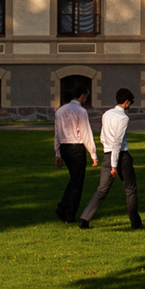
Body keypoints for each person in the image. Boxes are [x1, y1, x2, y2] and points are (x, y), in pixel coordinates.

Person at [78, 87, 143, 229]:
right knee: (130, 189)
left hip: (107, 154)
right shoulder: (123, 117)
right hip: (119, 156)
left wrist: (109, 155)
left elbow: (103, 136)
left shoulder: (106, 114)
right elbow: (118, 142)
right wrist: (114, 165)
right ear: (126, 102)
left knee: (101, 189)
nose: (129, 105)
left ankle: (84, 218)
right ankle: (135, 223)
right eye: (130, 103)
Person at [53, 83, 97, 221]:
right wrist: (93, 154)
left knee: (73, 180)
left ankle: (63, 207)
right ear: (82, 96)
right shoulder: (81, 112)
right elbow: (86, 134)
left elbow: (57, 133)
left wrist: (58, 153)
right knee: (77, 182)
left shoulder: (60, 110)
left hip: (65, 147)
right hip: (76, 147)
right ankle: (69, 213)